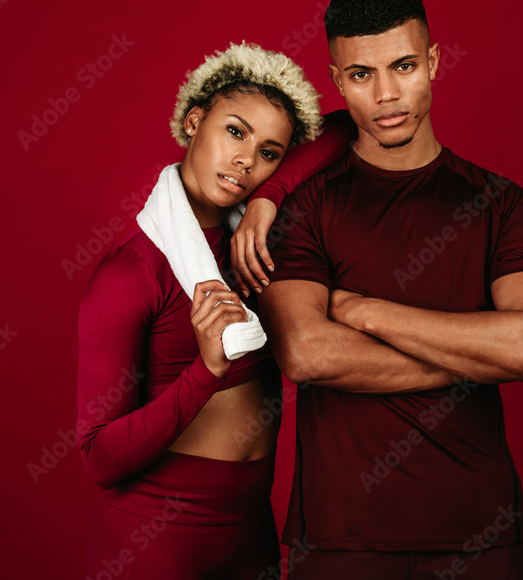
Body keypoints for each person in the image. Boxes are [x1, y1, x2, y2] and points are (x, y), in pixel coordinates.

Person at [242, 0, 523, 579]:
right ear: (338, 82)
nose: (388, 95)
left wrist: (365, 311)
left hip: (484, 532)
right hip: (342, 539)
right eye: (362, 75)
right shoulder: (305, 208)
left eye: (405, 65)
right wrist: (478, 353)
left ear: (434, 63)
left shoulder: (501, 204)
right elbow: (307, 352)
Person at [77, 42, 335, 579]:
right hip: (156, 543)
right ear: (195, 121)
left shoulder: (257, 244)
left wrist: (270, 196)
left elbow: (347, 128)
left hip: (251, 537)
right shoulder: (131, 274)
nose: (247, 159)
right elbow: (99, 459)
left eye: (269, 152)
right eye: (235, 132)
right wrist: (206, 372)